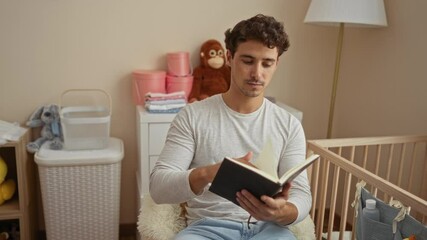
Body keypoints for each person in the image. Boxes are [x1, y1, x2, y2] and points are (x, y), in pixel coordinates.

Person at [150, 14, 310, 240]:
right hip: (206, 229)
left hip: (269, 229)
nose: (257, 73)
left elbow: (302, 195)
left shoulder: (289, 124)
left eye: (267, 63)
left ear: (277, 63)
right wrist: (209, 173)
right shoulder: (193, 116)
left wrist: (281, 211)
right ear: (229, 57)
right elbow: (158, 188)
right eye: (247, 61)